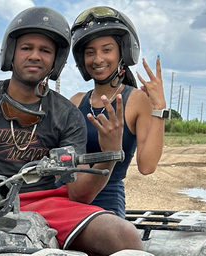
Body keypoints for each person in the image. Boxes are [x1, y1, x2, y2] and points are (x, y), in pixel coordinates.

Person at [0, 6, 143, 256]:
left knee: (124, 237)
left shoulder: (66, 115)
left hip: (47, 203)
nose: (35, 55)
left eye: (45, 50)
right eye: (26, 48)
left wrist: (110, 153)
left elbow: (79, 194)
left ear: (56, 60)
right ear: (11, 53)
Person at [70, 6, 167, 217]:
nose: (97, 59)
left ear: (122, 52)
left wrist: (159, 108)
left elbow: (147, 166)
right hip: (66, 198)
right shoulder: (75, 101)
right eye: (90, 52)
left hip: (105, 204)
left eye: (106, 50)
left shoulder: (136, 100)